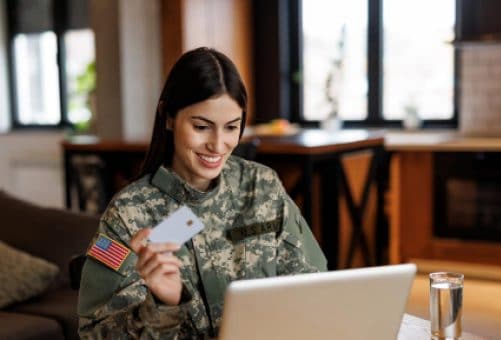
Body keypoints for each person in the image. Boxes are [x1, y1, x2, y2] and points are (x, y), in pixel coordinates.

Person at [77, 47, 327, 339]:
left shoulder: (261, 185)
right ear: (169, 118)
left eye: (232, 127)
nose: (218, 145)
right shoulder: (130, 213)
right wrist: (162, 305)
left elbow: (312, 286)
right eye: (201, 127)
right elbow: (95, 334)